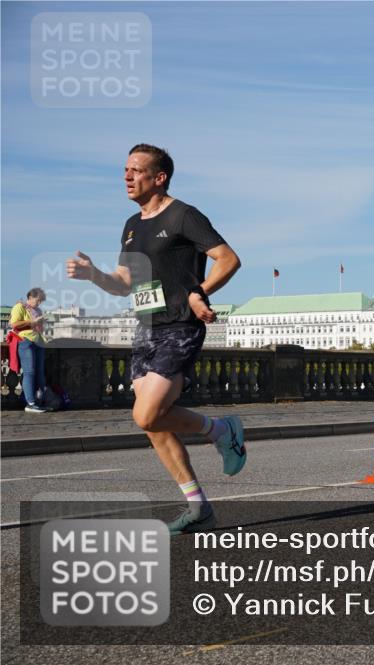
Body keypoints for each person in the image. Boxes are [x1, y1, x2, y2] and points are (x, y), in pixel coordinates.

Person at [66, 144, 244, 535]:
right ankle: (198, 507)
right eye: (125, 170)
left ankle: (221, 430)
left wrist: (200, 291)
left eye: (136, 170)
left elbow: (228, 258)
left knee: (145, 414)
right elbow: (124, 284)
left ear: (159, 177)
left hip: (180, 326)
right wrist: (93, 274)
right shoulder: (132, 224)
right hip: (146, 329)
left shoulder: (184, 215)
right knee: (155, 424)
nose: (127, 176)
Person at [9, 288, 49, 413]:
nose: (39, 304)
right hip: (26, 341)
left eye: (41, 301)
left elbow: (38, 328)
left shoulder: (38, 310)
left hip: (39, 341)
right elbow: (14, 324)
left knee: (40, 373)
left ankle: (39, 402)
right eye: (38, 300)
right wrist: (33, 322)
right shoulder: (19, 307)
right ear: (31, 297)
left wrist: (41, 323)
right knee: (29, 371)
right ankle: (30, 403)